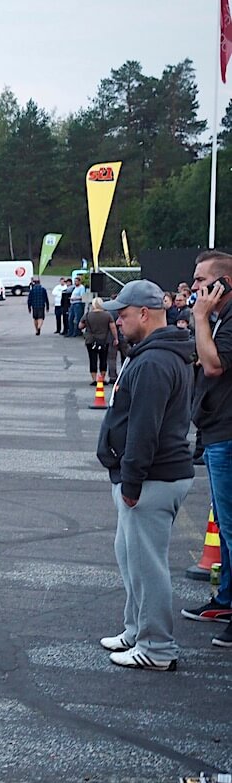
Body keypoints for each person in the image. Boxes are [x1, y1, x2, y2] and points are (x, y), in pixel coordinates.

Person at [96, 280, 195, 670]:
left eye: (122, 313)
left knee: (147, 566)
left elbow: (144, 428)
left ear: (144, 314)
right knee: (131, 557)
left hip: (152, 479)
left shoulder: (155, 361)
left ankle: (157, 647)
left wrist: (132, 481)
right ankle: (136, 629)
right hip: (148, 476)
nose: (117, 320)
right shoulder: (154, 354)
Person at [181, 250, 232, 646]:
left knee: (231, 528)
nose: (194, 287)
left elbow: (214, 366)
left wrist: (200, 318)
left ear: (224, 283)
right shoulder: (221, 319)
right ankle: (226, 598)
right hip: (216, 432)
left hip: (227, 436)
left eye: (201, 281)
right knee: (226, 527)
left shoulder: (225, 321)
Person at [78, 297, 118, 384]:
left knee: (92, 359)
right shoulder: (107, 315)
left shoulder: (88, 315)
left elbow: (80, 326)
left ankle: (94, 378)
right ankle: (102, 378)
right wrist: (115, 338)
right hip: (104, 340)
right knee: (103, 359)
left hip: (91, 340)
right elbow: (113, 327)